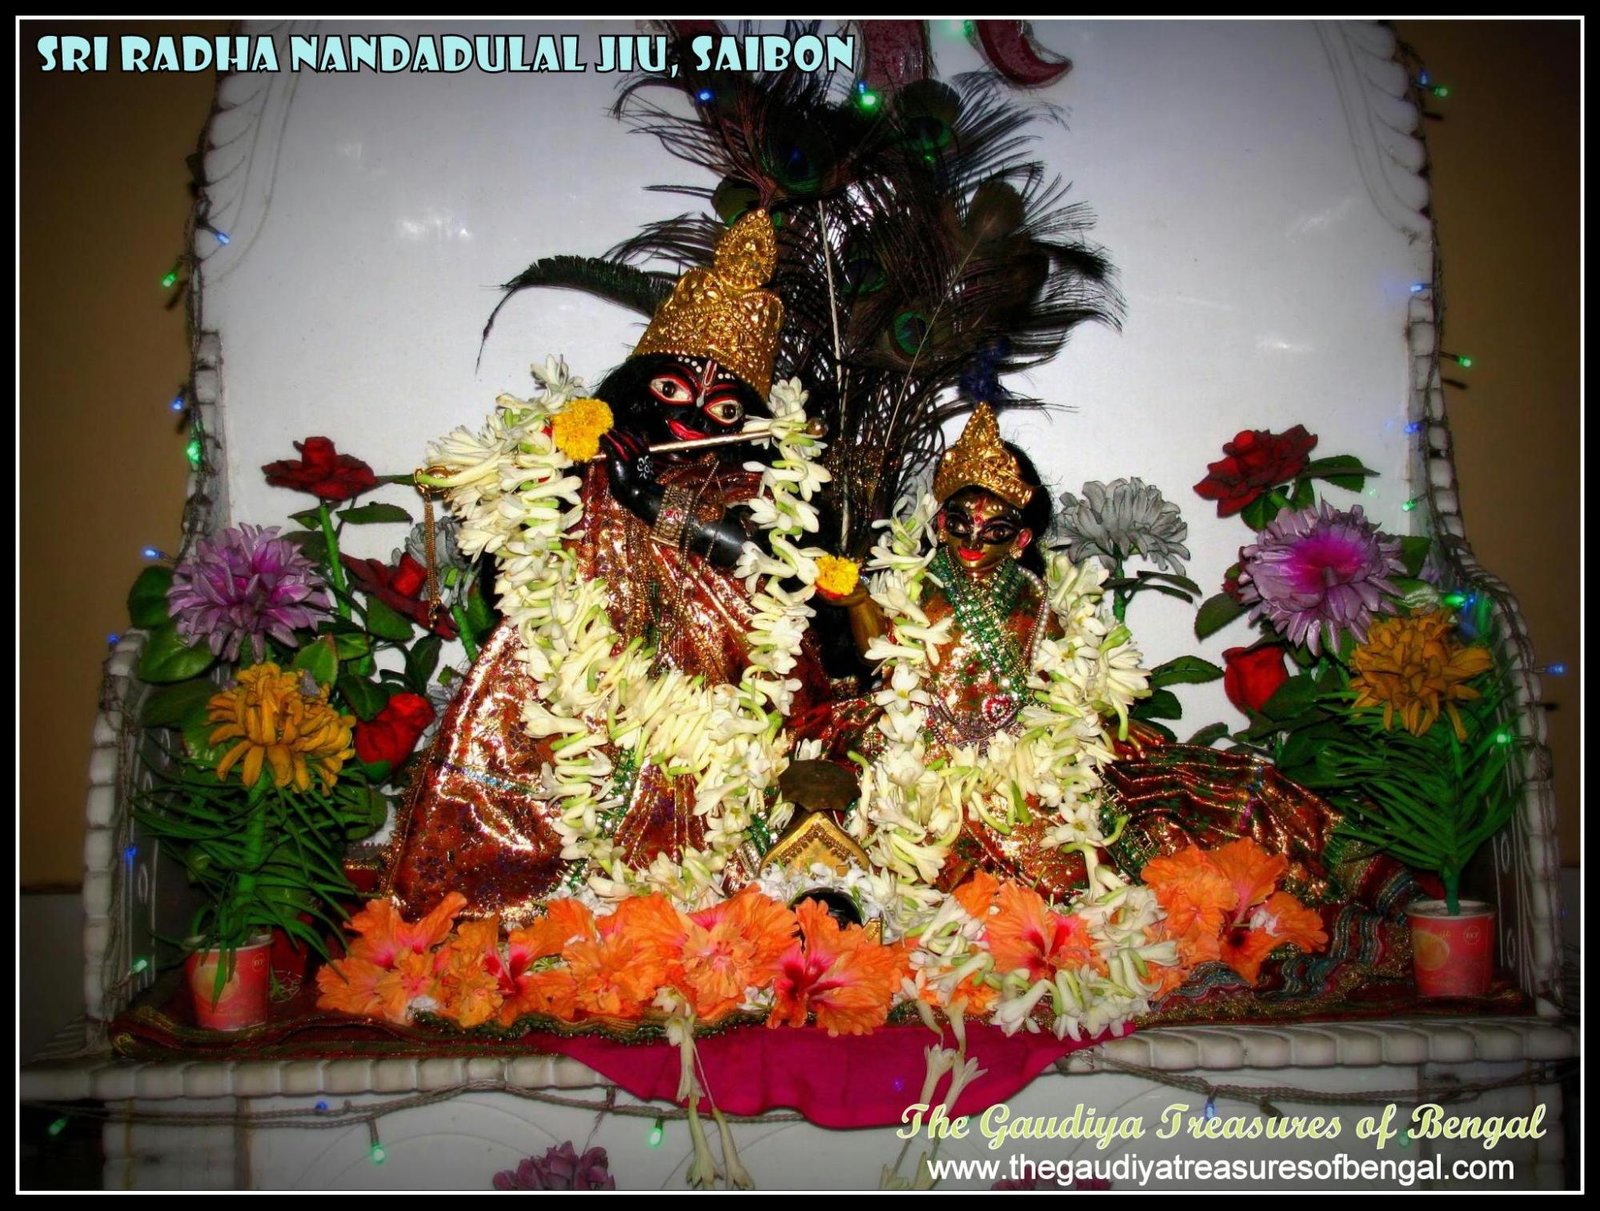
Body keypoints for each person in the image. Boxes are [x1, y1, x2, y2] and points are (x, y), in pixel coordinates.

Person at [382, 211, 830, 925]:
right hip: (573, 685)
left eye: (720, 408)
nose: (691, 421)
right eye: (672, 392)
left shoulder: (753, 491)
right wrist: (547, 472)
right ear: (634, 386)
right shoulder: (584, 462)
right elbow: (515, 558)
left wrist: (646, 498)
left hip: (714, 703)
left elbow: (761, 564)